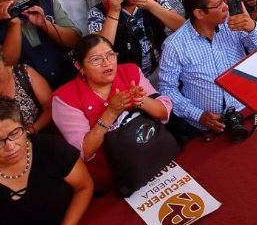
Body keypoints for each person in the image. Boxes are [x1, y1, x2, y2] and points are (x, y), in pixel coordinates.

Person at [0, 96, 92, 225]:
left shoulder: (52, 148)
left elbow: (84, 187)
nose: (10, 146)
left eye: (15, 133)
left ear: (25, 128)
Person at [52, 34, 172, 191]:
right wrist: (111, 113)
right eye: (96, 59)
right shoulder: (64, 98)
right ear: (79, 66)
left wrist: (141, 100)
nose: (107, 63)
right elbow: (85, 151)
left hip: (154, 157)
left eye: (110, 55)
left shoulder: (130, 71)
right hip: (113, 181)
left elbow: (164, 113)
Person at [158, 0, 257, 137]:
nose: (226, 7)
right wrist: (198, 115)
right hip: (204, 129)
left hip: (246, 111)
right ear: (199, 13)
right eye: (218, 5)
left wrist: (253, 28)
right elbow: (167, 89)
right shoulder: (174, 46)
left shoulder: (235, 23)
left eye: (224, 0)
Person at [88, 0, 185, 82]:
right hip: (124, 78)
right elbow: (100, 51)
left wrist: (152, 6)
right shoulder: (98, 12)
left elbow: (183, 28)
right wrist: (114, 10)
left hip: (161, 71)